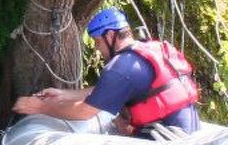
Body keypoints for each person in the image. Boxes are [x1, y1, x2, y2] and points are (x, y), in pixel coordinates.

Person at [11, 7, 202, 138]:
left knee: (119, 127)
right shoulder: (146, 50)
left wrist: (40, 108)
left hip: (169, 140)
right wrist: (63, 95)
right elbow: (107, 89)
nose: (97, 48)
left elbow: (84, 112)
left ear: (110, 36)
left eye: (97, 42)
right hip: (188, 130)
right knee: (121, 124)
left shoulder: (121, 67)